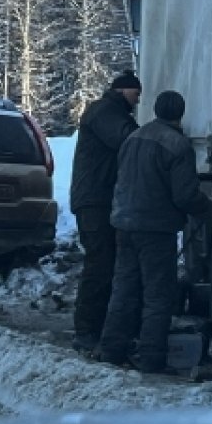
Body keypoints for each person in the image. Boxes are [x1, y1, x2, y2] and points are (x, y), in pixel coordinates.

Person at [98, 90, 212, 373]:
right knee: (157, 294)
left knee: (124, 289)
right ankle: (152, 358)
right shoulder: (178, 145)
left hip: (123, 224)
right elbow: (185, 196)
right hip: (155, 229)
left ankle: (111, 350)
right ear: (181, 113)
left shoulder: (133, 138)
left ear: (156, 110)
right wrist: (211, 210)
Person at [69, 70, 142, 356]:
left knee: (107, 264)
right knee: (100, 265)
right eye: (136, 94)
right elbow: (127, 139)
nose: (138, 100)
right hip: (95, 200)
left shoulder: (110, 112)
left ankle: (97, 329)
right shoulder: (104, 112)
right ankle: (86, 330)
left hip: (101, 199)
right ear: (123, 90)